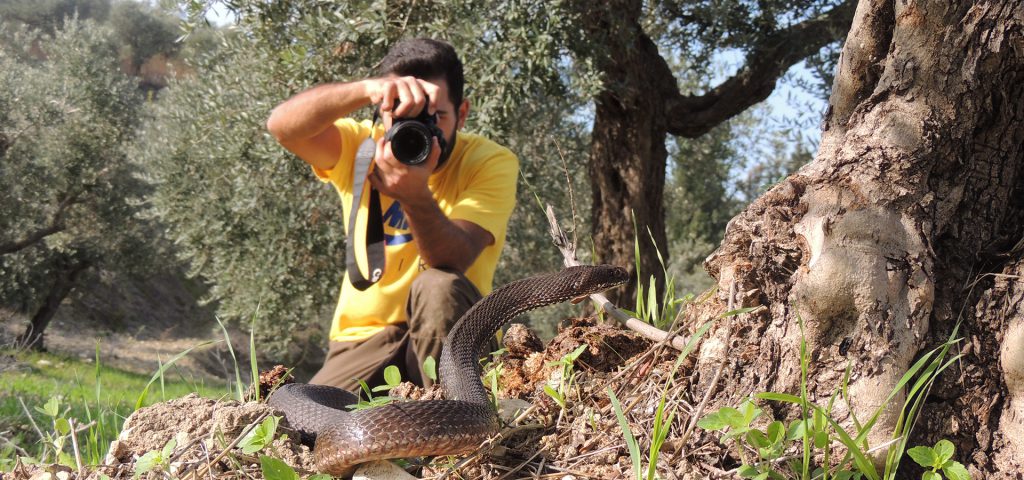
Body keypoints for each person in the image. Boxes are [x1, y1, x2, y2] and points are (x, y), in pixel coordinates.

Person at [266, 38, 518, 391]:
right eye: (398, 115)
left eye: (436, 117)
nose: (417, 129)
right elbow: (282, 126)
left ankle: (459, 420)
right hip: (364, 339)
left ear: (462, 114)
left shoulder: (489, 161)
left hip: (455, 330)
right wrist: (366, 88)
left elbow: (453, 259)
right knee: (304, 421)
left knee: (438, 284)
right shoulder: (361, 147)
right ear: (380, 111)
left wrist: (414, 196)